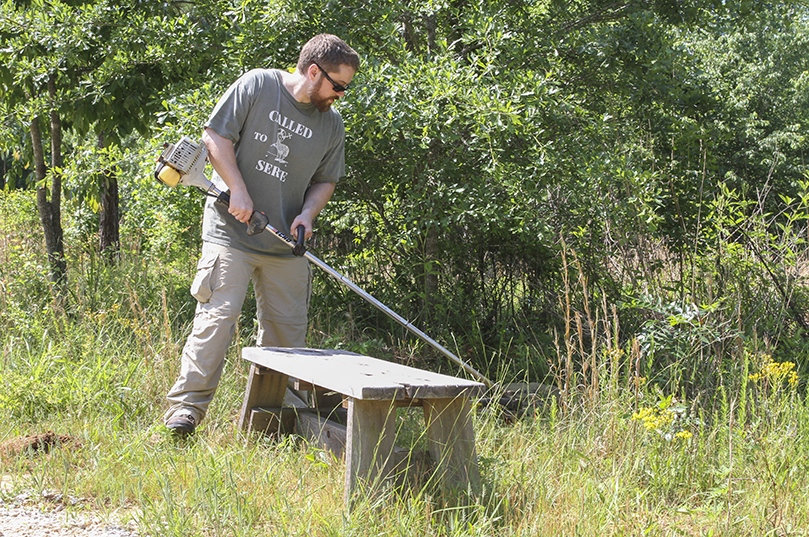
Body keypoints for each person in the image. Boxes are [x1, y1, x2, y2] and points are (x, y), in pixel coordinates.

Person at [164, 34, 360, 436]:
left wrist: (307, 213)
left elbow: (325, 181)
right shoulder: (257, 85)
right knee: (216, 321)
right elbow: (215, 137)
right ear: (313, 71)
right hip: (229, 233)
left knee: (288, 337)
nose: (341, 94)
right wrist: (237, 189)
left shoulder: (332, 124)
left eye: (346, 87)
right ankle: (185, 412)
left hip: (285, 245)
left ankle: (279, 420)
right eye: (338, 85)